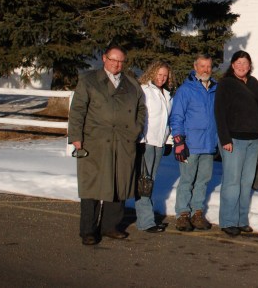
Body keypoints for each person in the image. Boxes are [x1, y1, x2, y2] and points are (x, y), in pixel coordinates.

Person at [68, 45, 147, 245]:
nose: (116, 64)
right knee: (92, 187)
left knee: (119, 185)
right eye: (113, 60)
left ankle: (110, 226)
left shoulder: (131, 83)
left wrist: (136, 129)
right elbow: (77, 110)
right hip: (95, 141)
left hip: (123, 142)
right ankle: (88, 230)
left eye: (120, 61)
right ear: (104, 58)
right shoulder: (89, 81)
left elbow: (141, 108)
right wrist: (76, 136)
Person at [215, 50, 258, 236]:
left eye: (245, 63)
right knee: (232, 182)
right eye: (238, 63)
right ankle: (228, 220)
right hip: (233, 140)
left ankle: (241, 219)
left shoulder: (254, 83)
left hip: (253, 140)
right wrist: (225, 138)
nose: (242, 66)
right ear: (233, 65)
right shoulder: (226, 84)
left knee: (246, 182)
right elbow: (219, 112)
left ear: (250, 66)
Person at [169, 53, 218, 232]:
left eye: (208, 66)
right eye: (202, 66)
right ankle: (183, 214)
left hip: (209, 143)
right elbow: (177, 117)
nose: (205, 70)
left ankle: (197, 212)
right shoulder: (186, 89)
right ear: (195, 67)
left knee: (203, 180)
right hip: (191, 143)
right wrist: (179, 141)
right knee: (187, 180)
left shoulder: (215, 88)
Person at [135, 60, 174, 233]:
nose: (162, 78)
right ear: (152, 73)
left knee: (150, 180)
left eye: (165, 75)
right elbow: (141, 117)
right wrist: (141, 140)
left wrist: (168, 141)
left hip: (159, 143)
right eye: (159, 74)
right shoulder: (144, 90)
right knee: (145, 182)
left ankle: (147, 218)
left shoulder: (167, 94)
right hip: (147, 142)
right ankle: (146, 221)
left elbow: (168, 122)